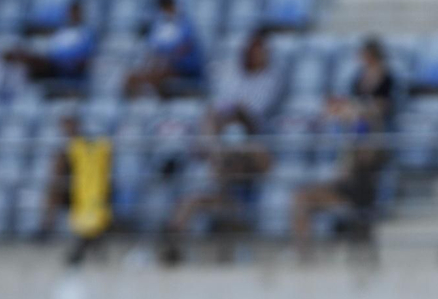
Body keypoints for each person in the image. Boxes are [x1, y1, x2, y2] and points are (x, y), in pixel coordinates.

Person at [159, 113, 272, 266]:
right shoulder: (220, 155)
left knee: (225, 211)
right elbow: (218, 181)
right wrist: (221, 158)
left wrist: (242, 154)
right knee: (191, 201)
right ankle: (172, 246)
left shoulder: (253, 152)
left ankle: (226, 257)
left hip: (244, 204)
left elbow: (264, 169)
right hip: (223, 199)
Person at [291, 95, 385, 261]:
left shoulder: (366, 133)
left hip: (357, 192)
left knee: (304, 199)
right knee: (300, 199)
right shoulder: (343, 133)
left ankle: (308, 255)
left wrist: (355, 123)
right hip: (341, 189)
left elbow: (364, 160)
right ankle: (304, 256)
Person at [45, 113, 113, 266]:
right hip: (79, 190)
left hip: (92, 189)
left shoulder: (87, 146)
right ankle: (85, 248)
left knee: (91, 217)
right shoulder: (71, 148)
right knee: (86, 218)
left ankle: (82, 248)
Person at [123, 0, 204, 98]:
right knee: (132, 77)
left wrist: (167, 59)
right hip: (161, 65)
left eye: (167, 7)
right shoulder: (159, 25)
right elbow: (153, 49)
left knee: (158, 76)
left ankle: (159, 102)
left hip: (183, 67)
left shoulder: (185, 24)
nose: (165, 11)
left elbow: (184, 48)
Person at [5, 0, 96, 86]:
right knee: (15, 54)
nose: (72, 15)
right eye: (71, 12)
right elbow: (51, 46)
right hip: (49, 62)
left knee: (33, 59)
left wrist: (55, 58)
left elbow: (81, 56)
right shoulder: (61, 31)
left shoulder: (84, 33)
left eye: (76, 13)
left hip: (64, 67)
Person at [209, 30, 282, 131]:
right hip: (229, 116)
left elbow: (257, 109)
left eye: (259, 53)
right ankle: (212, 145)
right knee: (210, 113)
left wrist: (239, 107)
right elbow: (222, 100)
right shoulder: (236, 72)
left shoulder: (270, 78)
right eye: (253, 52)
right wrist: (235, 106)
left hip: (253, 125)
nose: (256, 56)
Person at [349, 37, 396, 128]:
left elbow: (386, 98)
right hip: (361, 106)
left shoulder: (386, 74)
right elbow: (356, 94)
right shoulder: (360, 74)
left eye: (366, 54)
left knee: (361, 113)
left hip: (379, 108)